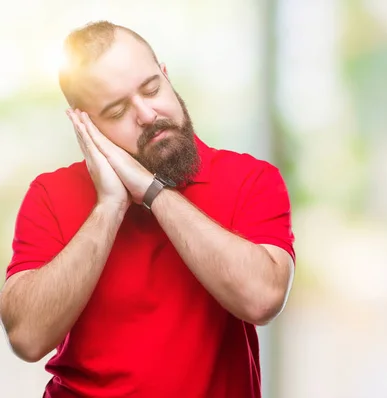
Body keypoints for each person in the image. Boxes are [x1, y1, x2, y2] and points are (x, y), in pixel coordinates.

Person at [0, 20, 295, 398]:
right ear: (85, 125)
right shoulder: (49, 194)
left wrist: (152, 191)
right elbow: (26, 338)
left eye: (152, 88)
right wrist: (109, 205)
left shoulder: (250, 179)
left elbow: (262, 299)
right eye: (118, 109)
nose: (147, 113)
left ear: (166, 76)